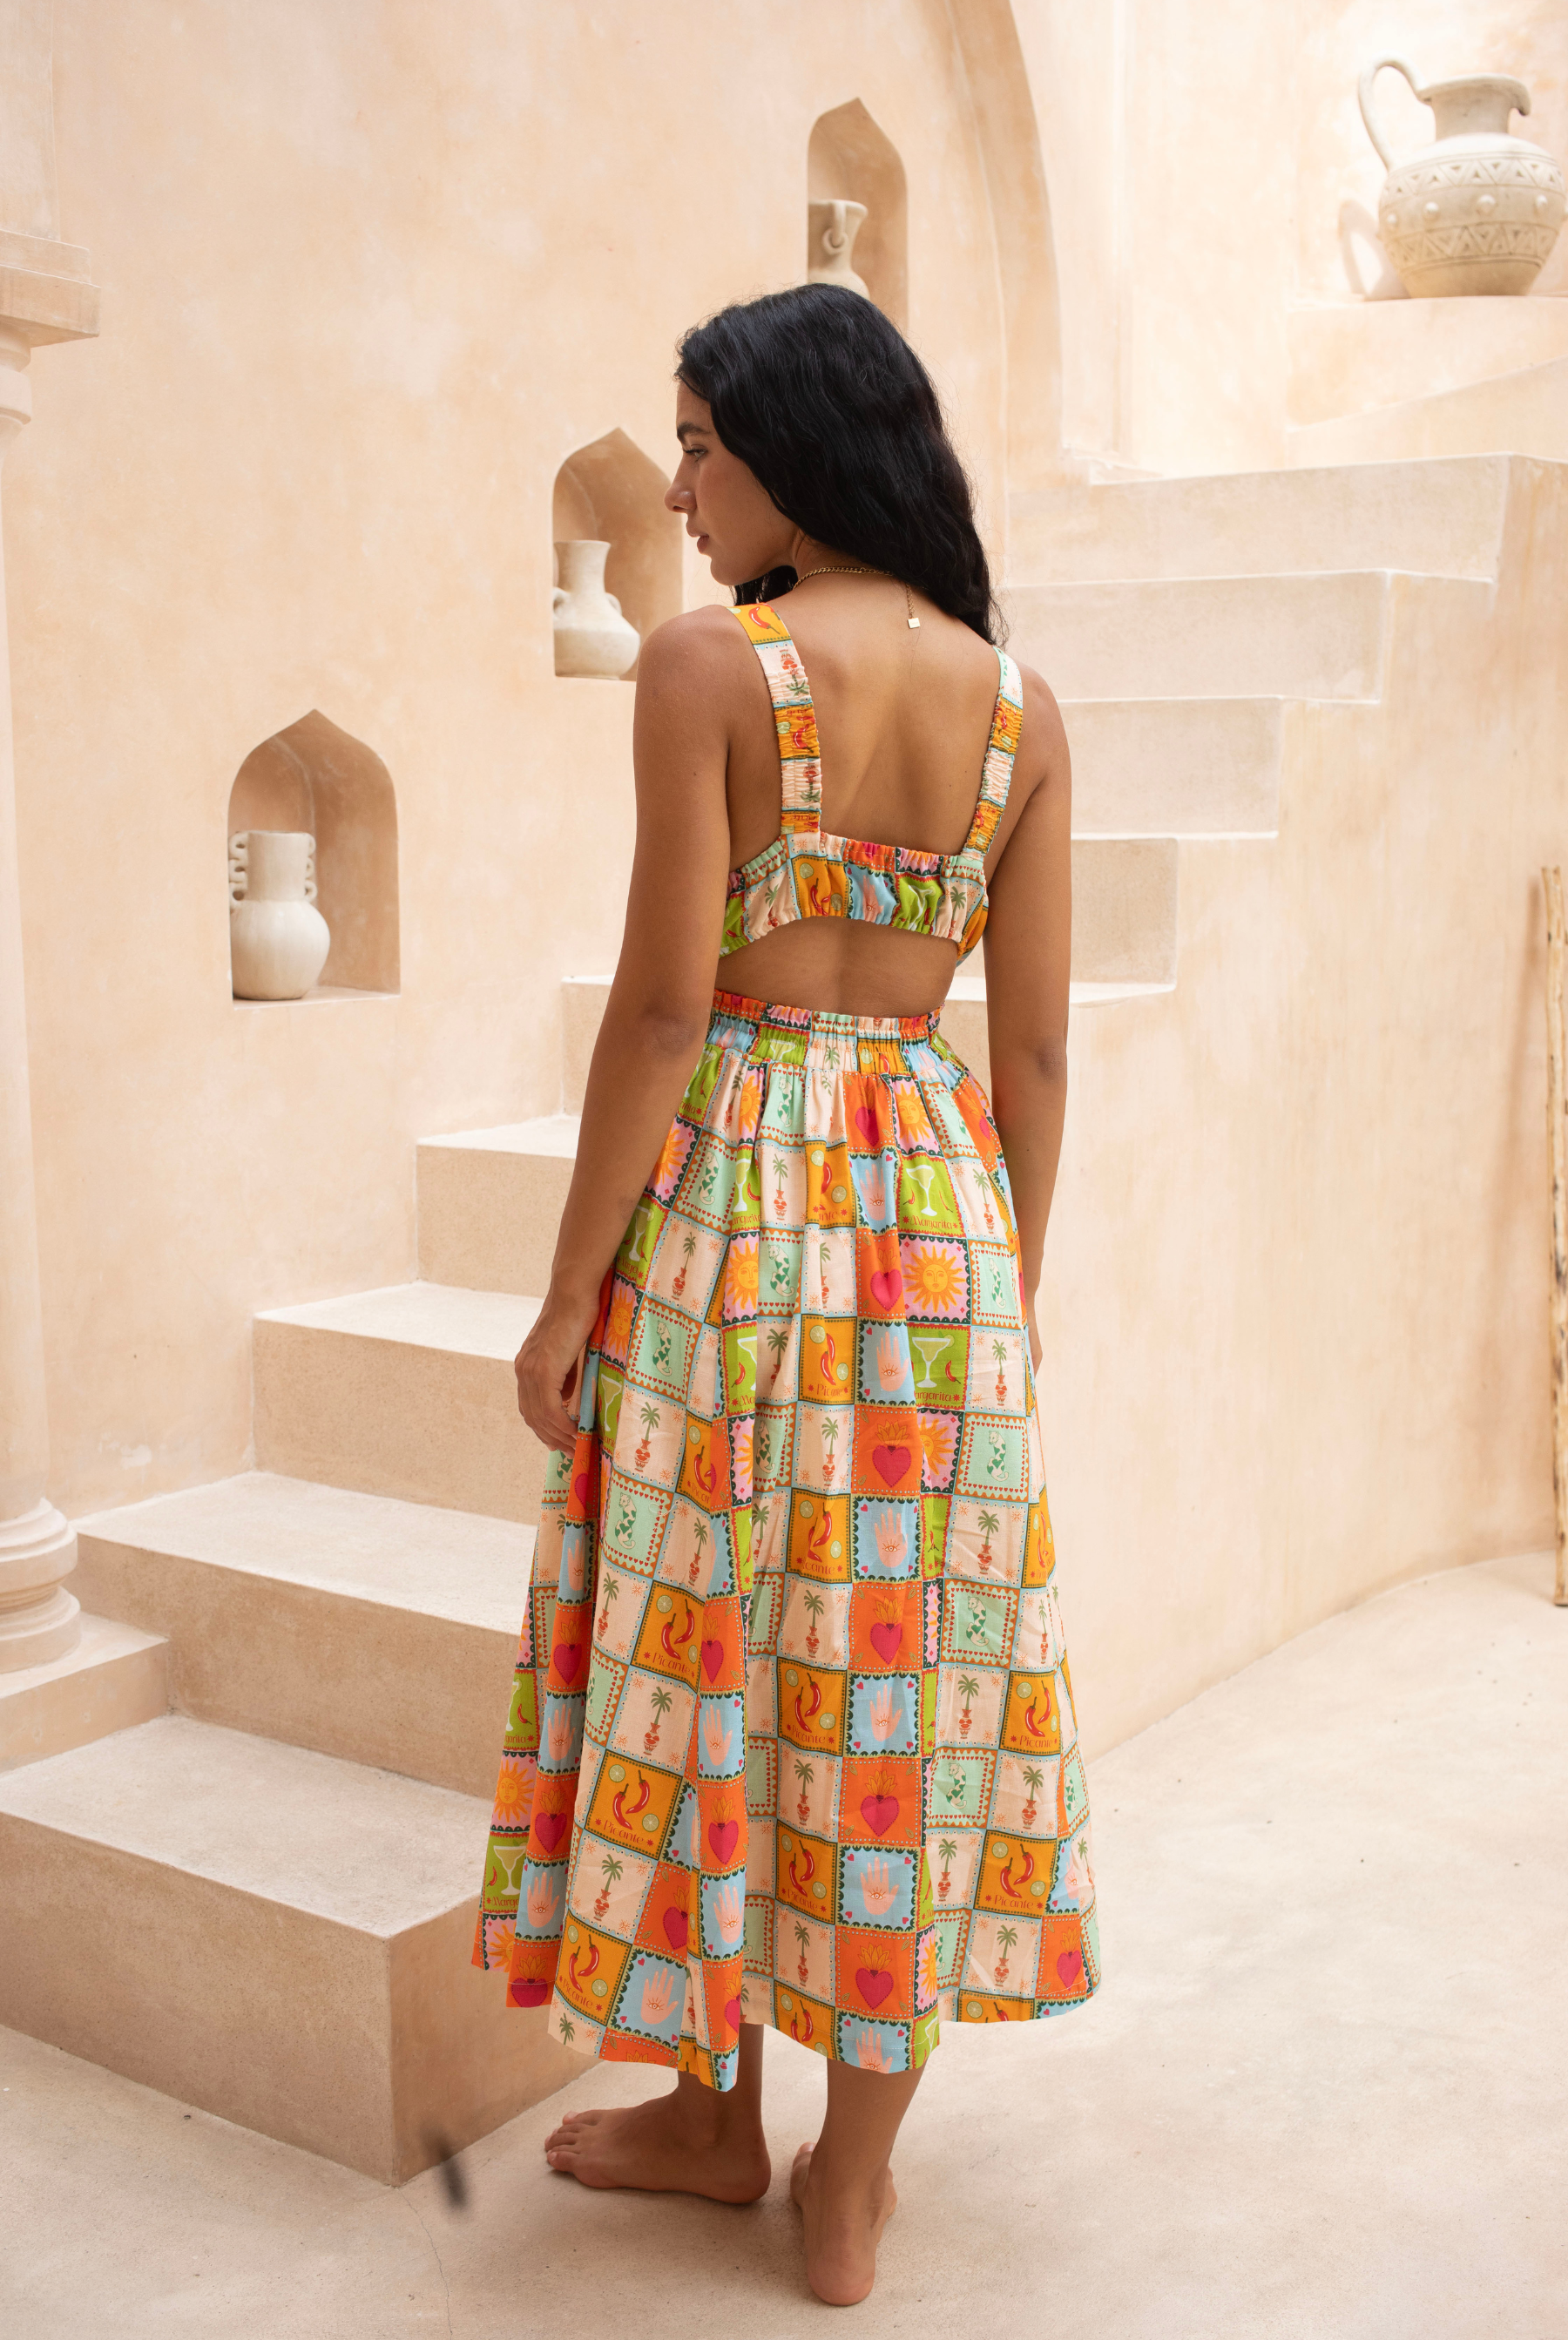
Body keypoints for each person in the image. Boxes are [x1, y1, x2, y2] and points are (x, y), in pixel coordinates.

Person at [472, 282, 1098, 2307]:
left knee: (710, 1638)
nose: (677, 489)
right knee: (901, 1675)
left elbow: (668, 1008)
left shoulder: (707, 667)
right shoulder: (1021, 707)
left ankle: (716, 2111)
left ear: (797, 450)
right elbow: (1036, 1055)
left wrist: (564, 1297)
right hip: (934, 1215)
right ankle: (847, 2175)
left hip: (738, 1199)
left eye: (698, 445)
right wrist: (1007, 1296)